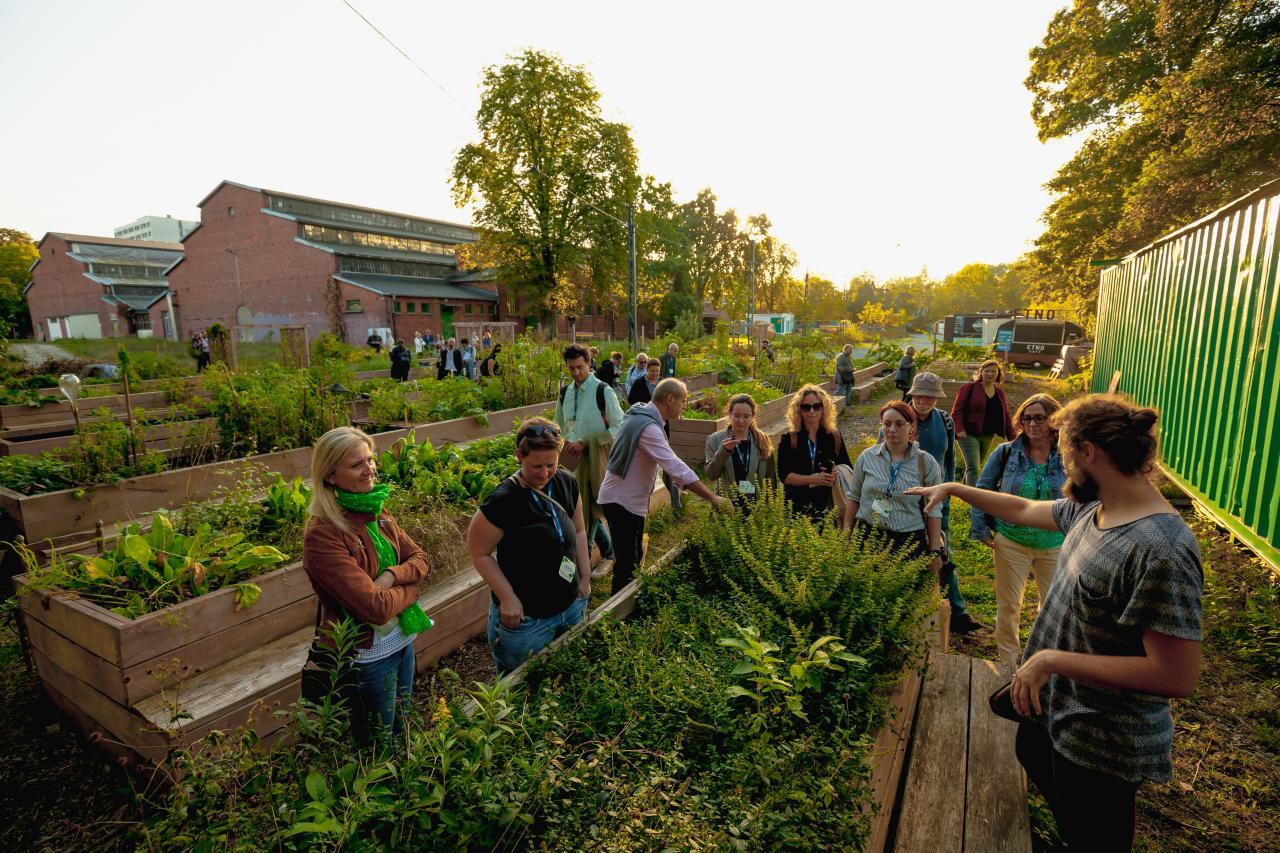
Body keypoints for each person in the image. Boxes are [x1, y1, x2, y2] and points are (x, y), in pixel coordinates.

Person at [907, 395, 1203, 851]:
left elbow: (1176, 675)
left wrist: (1049, 659)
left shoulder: (1159, 548)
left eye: (1066, 453)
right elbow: (1024, 511)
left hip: (1103, 743)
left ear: (1088, 454)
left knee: (1094, 835)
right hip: (1059, 712)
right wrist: (954, 489)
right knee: (1032, 753)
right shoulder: (1094, 509)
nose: (1064, 467)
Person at [302, 427, 430, 746]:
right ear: (330, 476)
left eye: (370, 459)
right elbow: (374, 607)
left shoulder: (376, 511)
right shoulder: (324, 534)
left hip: (403, 640)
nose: (369, 469)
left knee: (403, 730)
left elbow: (420, 558)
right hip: (366, 657)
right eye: (356, 464)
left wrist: (389, 576)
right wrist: (412, 588)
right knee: (376, 746)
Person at [467, 417, 591, 675]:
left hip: (571, 604)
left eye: (551, 464)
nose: (544, 473)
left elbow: (579, 531)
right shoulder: (504, 500)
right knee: (521, 685)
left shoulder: (566, 482)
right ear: (519, 456)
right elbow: (479, 553)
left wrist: (585, 577)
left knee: (562, 674)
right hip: (528, 620)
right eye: (536, 466)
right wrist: (508, 597)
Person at [598, 378, 725, 593]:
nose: (684, 406)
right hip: (621, 502)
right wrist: (712, 498)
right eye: (683, 401)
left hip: (624, 500)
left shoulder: (641, 416)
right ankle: (616, 616)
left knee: (633, 558)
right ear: (669, 399)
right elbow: (675, 466)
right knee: (627, 565)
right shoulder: (648, 427)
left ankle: (627, 608)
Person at [970, 393, 1067, 670]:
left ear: (1053, 420)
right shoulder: (1006, 453)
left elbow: (1084, 494)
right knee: (1009, 607)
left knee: (1051, 609)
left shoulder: (1069, 455)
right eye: (1027, 418)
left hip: (1055, 543)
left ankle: (1040, 664)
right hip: (1012, 540)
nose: (1033, 423)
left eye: (1040, 417)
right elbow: (982, 488)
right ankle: (1009, 664)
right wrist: (981, 527)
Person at [896, 372, 982, 634]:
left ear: (936, 397)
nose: (923, 400)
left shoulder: (945, 421)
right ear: (911, 395)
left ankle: (958, 612)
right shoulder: (897, 419)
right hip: (906, 498)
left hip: (938, 498)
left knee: (942, 550)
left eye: (929, 396)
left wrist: (947, 492)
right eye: (918, 395)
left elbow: (950, 461)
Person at [842, 401, 944, 576]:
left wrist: (935, 551)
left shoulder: (925, 462)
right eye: (887, 424)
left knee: (905, 598)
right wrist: (847, 534)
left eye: (899, 424)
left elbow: (934, 509)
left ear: (911, 426)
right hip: (868, 537)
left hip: (907, 542)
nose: (891, 429)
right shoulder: (867, 457)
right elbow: (854, 497)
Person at [553, 344, 623, 576]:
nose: (576, 373)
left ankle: (576, 572)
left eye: (580, 367)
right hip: (571, 462)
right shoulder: (565, 393)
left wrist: (588, 441)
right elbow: (559, 427)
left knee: (586, 510)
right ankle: (610, 552)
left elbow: (619, 427)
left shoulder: (603, 391)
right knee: (580, 510)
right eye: (571, 368)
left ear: (589, 364)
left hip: (595, 461)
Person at [776, 383, 852, 522]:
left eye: (817, 406)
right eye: (806, 407)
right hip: (797, 506)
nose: (812, 411)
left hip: (829, 504)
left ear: (824, 408)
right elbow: (784, 475)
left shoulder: (834, 436)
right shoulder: (790, 438)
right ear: (799, 410)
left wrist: (835, 474)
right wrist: (814, 479)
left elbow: (846, 466)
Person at [951, 358, 1014, 486]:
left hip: (988, 434)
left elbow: (1005, 415)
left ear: (998, 374)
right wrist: (959, 429)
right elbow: (957, 411)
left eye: (993, 371)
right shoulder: (969, 388)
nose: (990, 374)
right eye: (987, 371)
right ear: (981, 372)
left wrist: (1013, 438)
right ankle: (973, 499)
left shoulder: (999, 393)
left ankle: (963, 490)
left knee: (975, 464)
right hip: (968, 433)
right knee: (973, 466)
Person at [704, 393, 775, 499]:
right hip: (726, 506)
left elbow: (771, 479)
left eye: (746, 416)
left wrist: (770, 509)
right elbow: (711, 475)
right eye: (737, 415)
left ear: (753, 416)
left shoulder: (762, 439)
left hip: (756, 507)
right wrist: (723, 452)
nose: (741, 420)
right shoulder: (715, 439)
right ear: (730, 414)